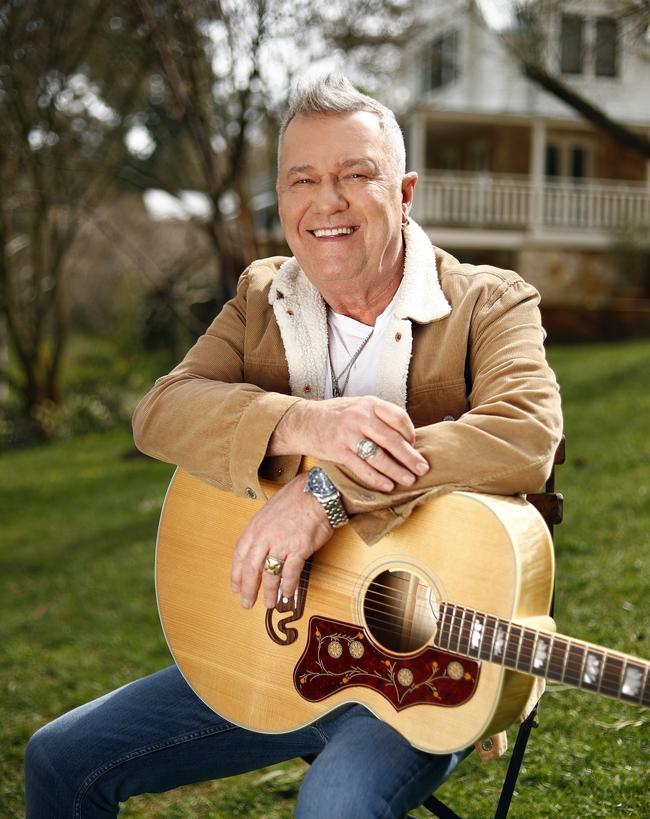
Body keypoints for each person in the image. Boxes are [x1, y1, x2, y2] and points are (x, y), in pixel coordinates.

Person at [25, 74, 563, 818]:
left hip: (417, 670)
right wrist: (303, 424)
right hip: (271, 649)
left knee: (332, 807)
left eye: (355, 175)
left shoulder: (489, 303)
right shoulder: (262, 299)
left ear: (405, 192)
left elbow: (524, 433)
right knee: (57, 759)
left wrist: (327, 496)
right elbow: (161, 412)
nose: (327, 201)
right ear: (280, 202)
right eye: (302, 180)